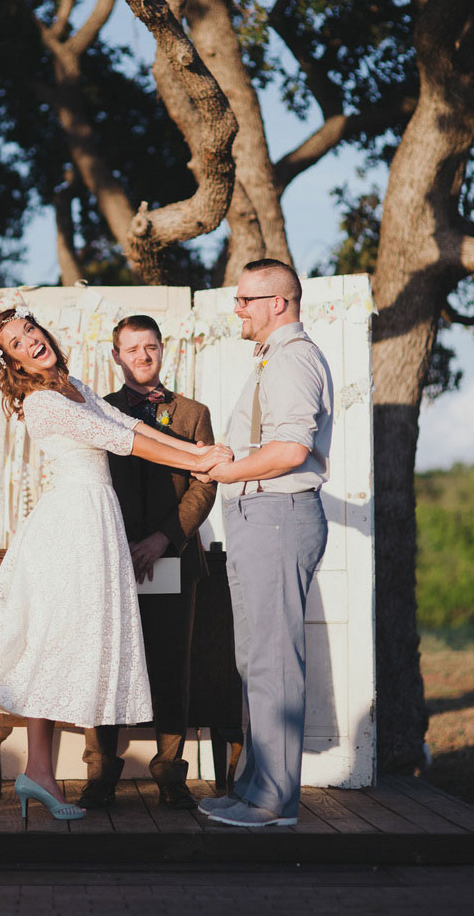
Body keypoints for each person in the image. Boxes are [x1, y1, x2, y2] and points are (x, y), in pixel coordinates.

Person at [0, 305, 231, 823]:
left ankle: (40, 773)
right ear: (12, 363)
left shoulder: (74, 387)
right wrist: (199, 460)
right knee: (45, 638)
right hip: (72, 523)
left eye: (30, 329)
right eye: (16, 342)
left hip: (95, 522)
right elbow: (127, 441)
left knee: (57, 644)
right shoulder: (43, 402)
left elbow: (126, 422)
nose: (30, 340)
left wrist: (199, 452)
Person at [197, 259, 333, 828]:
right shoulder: (272, 361)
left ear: (279, 301)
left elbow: (290, 450)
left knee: (274, 663)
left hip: (278, 514)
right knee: (255, 660)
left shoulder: (294, 358)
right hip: (259, 516)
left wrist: (228, 472)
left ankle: (275, 803)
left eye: (246, 299)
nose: (238, 309)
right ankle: (253, 787)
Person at [78, 315, 217, 810]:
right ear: (115, 356)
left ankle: (171, 776)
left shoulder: (193, 413)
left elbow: (206, 484)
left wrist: (163, 539)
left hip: (173, 557)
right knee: (106, 665)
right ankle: (99, 775)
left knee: (170, 666)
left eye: (150, 347)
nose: (142, 356)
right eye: (131, 349)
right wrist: (116, 545)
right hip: (110, 560)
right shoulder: (97, 410)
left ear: (163, 350)